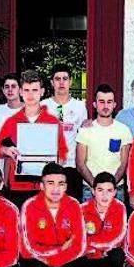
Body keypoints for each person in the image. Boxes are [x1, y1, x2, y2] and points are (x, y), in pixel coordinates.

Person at [19, 163, 86, 267]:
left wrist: (58, 257)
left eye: (60, 184)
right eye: (50, 183)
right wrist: (57, 251)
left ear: (66, 186)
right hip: (38, 259)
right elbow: (26, 247)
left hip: (64, 259)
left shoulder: (74, 205)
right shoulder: (29, 206)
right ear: (41, 186)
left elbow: (80, 244)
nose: (56, 189)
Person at [0, 70, 68, 208]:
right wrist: (6, 150)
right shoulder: (12, 121)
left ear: (42, 91)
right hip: (18, 187)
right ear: (20, 92)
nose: (30, 95)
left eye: (34, 90)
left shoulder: (53, 122)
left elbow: (63, 153)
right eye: (26, 90)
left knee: (42, 228)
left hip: (44, 188)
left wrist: (53, 169)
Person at [78, 172, 127, 267]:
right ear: (93, 191)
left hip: (109, 254)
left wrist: (98, 247)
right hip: (91, 256)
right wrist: (95, 250)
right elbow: (79, 238)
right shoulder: (82, 209)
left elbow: (119, 235)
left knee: (117, 255)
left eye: (109, 191)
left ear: (115, 192)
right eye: (100, 190)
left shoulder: (120, 207)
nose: (104, 195)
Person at [76, 84, 133, 203]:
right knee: (89, 222)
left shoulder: (124, 130)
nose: (105, 106)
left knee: (117, 222)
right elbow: (80, 163)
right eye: (101, 102)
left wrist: (110, 187)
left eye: (109, 102)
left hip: (116, 189)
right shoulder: (85, 130)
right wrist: (97, 187)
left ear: (114, 105)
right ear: (95, 105)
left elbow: (124, 163)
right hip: (90, 189)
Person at [42, 64, 88, 200]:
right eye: (57, 79)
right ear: (52, 82)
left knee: (71, 209)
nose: (61, 82)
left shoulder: (80, 107)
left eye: (65, 78)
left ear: (70, 81)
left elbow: (82, 137)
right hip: (49, 166)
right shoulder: (43, 106)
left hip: (71, 166)